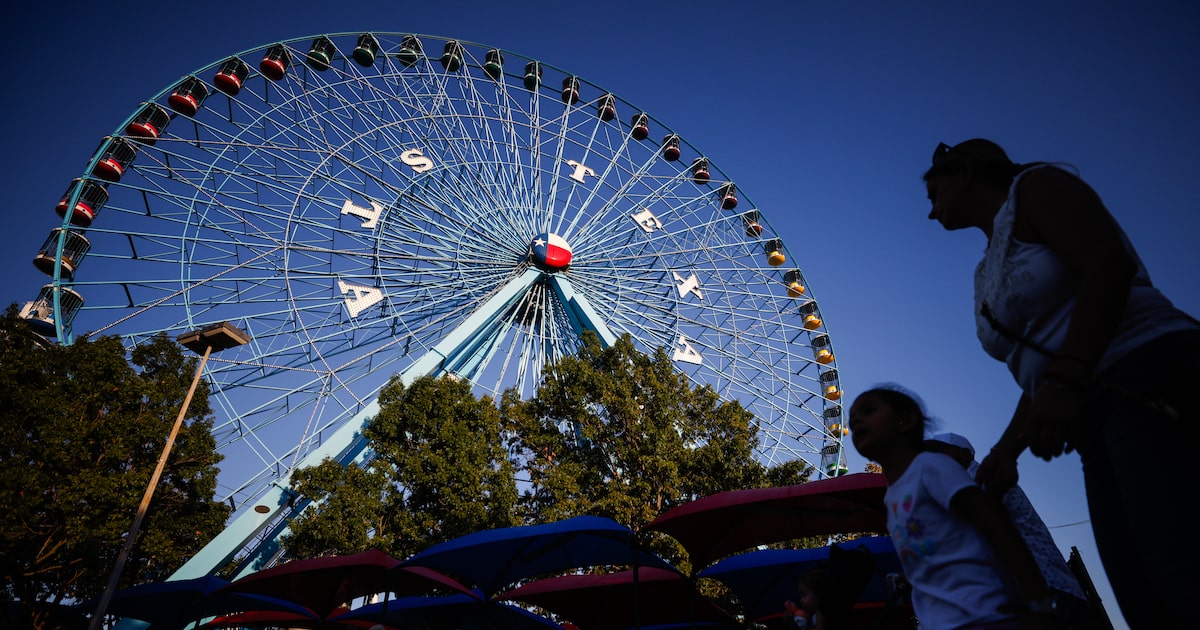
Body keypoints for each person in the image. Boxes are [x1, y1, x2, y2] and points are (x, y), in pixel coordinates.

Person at [923, 139, 1200, 628]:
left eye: (934, 190)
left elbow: (1108, 266)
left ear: (966, 172)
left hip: (1149, 374)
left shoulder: (1039, 187)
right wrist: (1007, 451)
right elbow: (1038, 370)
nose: (931, 210)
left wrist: (1067, 377)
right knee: (1139, 588)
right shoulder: (984, 270)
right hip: (1090, 413)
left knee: (1180, 565)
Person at [848, 385, 1061, 630]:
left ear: (905, 420)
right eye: (852, 421)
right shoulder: (893, 495)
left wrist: (1038, 601)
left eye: (868, 411)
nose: (856, 421)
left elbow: (995, 523)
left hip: (988, 614)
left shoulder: (932, 467)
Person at [924, 433, 1097, 628]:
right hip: (1049, 593)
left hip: (1045, 594)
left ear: (964, 455)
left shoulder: (976, 479)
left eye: (937, 456)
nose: (931, 464)